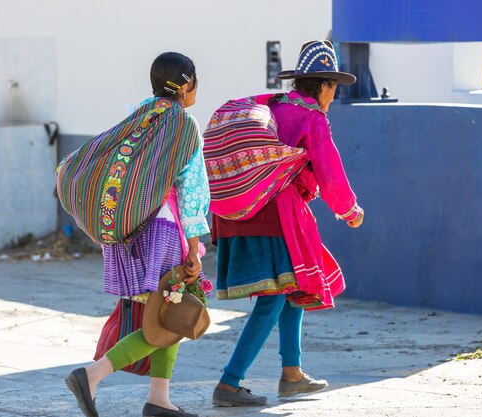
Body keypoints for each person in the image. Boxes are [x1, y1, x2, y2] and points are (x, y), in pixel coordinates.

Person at [210, 40, 364, 407]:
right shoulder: (312, 118)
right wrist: (350, 210)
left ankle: (292, 374)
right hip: (275, 215)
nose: (333, 95)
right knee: (274, 298)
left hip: (243, 208)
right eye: (333, 88)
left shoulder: (272, 105)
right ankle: (229, 383)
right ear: (324, 86)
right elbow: (329, 172)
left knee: (294, 287)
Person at [64, 52, 210, 417]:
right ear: (188, 82)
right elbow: (190, 191)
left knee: (168, 311)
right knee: (171, 313)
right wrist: (193, 249)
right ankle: (92, 375)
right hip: (164, 229)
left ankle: (159, 399)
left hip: (133, 231)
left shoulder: (142, 112)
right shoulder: (183, 125)